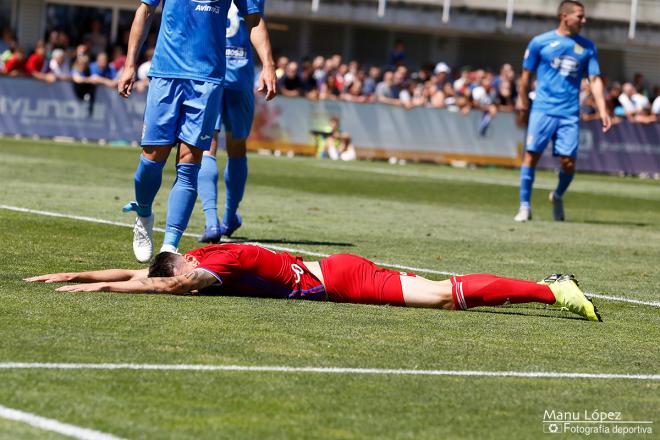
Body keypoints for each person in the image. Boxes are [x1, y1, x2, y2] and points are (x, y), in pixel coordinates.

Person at [25, 243, 601, 322]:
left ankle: (554, 290)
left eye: (182, 278)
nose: (185, 284)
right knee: (439, 295)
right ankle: (550, 287)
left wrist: (101, 291)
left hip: (341, 278)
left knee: (438, 295)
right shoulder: (194, 253)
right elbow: (139, 273)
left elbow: (162, 285)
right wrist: (77, 274)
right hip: (336, 268)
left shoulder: (207, 269)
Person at [117, 0, 276, 263]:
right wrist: (129, 64)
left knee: (190, 161)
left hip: (208, 79)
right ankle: (144, 212)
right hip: (167, 73)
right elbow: (144, 11)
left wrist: (268, 65)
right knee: (152, 156)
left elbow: (254, 20)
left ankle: (170, 247)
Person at [515, 0, 611, 222]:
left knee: (568, 163)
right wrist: (522, 101)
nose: (584, 20)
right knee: (531, 156)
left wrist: (603, 109)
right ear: (564, 16)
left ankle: (557, 195)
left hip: (569, 112)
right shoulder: (540, 42)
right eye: (580, 16)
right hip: (543, 109)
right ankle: (524, 206)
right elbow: (525, 76)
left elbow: (594, 79)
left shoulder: (588, 47)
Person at [197, 0, 276, 244]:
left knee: (206, 147)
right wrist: (268, 64)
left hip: (209, 73)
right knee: (237, 148)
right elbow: (256, 24)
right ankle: (229, 218)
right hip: (240, 78)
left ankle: (211, 222)